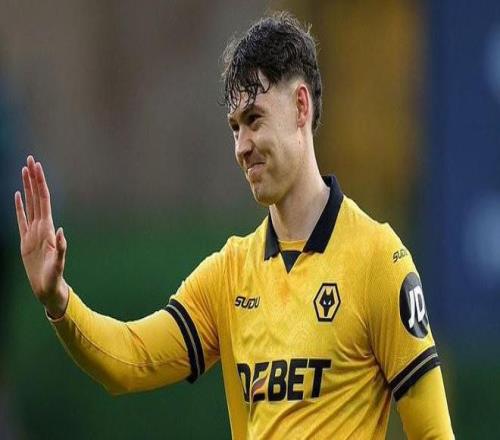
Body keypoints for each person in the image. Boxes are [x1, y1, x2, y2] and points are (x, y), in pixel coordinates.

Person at [14, 12, 453, 439]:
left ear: (300, 107)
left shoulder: (377, 259)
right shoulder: (229, 274)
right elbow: (129, 361)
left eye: (254, 119)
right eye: (235, 127)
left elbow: (433, 433)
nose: (242, 146)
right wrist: (59, 301)